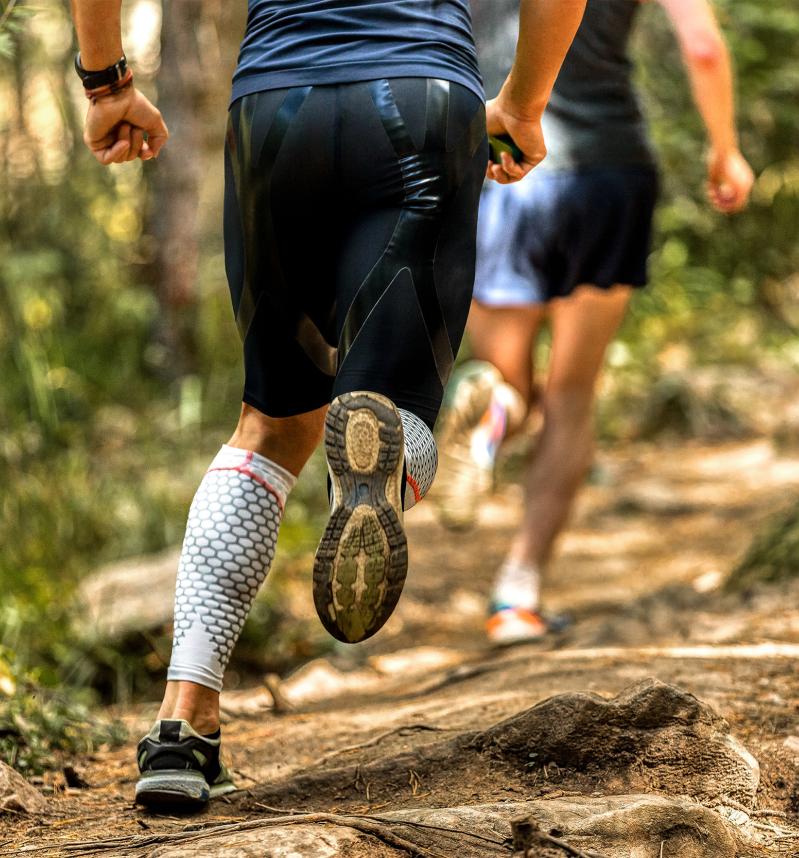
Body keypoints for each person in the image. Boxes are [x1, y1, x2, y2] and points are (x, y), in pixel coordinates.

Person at [69, 0, 587, 808]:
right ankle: (380, 459)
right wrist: (522, 103)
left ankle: (182, 726)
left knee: (270, 425)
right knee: (393, 400)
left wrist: (106, 81)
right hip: (422, 98)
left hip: (277, 106)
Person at [432, 0, 754, 645]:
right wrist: (725, 151)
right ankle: (516, 595)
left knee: (505, 379)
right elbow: (703, 47)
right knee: (571, 394)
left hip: (498, 163)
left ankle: (491, 417)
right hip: (607, 169)